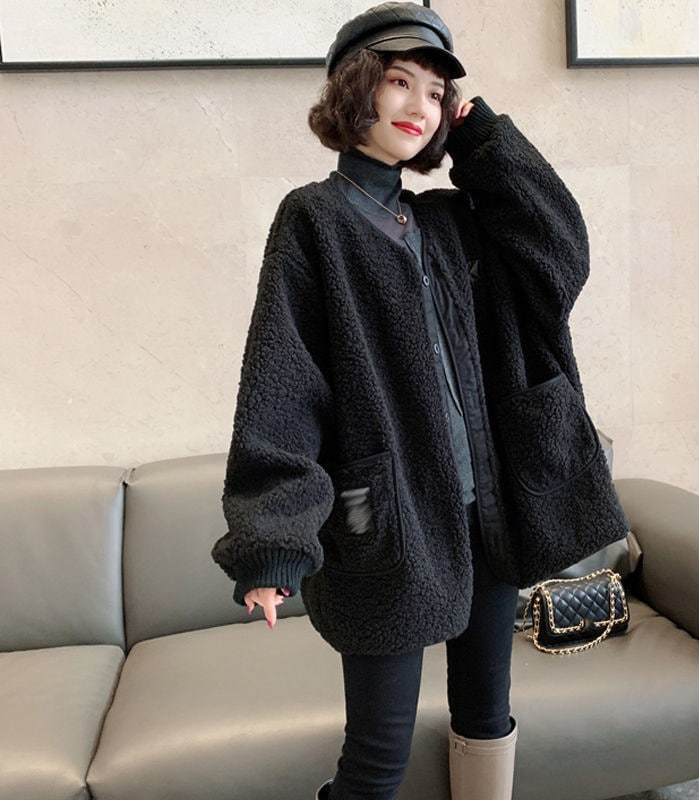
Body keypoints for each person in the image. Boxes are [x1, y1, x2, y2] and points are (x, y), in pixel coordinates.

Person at [212, 3, 628, 799]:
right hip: (387, 524)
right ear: (355, 88)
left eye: (436, 93)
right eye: (399, 82)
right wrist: (272, 537)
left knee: (487, 715)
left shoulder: (449, 222)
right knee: (378, 755)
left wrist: (484, 139)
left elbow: (559, 253)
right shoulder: (315, 219)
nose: (419, 106)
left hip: (488, 517)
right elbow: (282, 376)